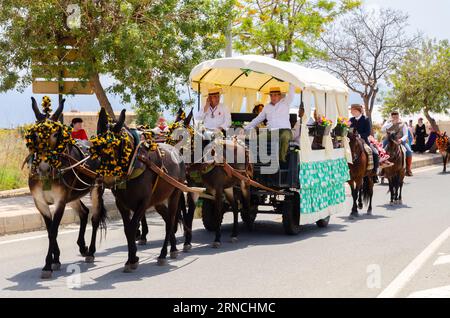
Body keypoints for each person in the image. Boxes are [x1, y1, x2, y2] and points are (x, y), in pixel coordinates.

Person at [244, 85, 295, 163]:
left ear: (279, 95)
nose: (273, 97)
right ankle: (258, 163)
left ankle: (281, 161)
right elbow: (258, 119)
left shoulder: (285, 102)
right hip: (271, 132)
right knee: (256, 139)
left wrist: (291, 81)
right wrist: (245, 128)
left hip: (285, 130)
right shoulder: (267, 107)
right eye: (271, 95)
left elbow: (291, 93)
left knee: (284, 137)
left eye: (275, 95)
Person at [349, 104, 379, 178]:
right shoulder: (351, 120)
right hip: (352, 142)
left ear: (357, 111)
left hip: (364, 141)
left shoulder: (365, 119)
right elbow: (349, 131)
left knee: (375, 153)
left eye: (352, 111)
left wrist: (359, 136)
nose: (351, 112)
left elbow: (368, 132)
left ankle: (375, 171)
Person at [381, 111, 413, 176]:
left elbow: (406, 134)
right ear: (391, 117)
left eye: (396, 117)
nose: (395, 118)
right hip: (389, 139)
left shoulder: (403, 124)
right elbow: (383, 129)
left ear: (398, 116)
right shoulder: (388, 122)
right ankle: (382, 169)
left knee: (409, 151)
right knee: (381, 150)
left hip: (400, 140)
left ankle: (408, 169)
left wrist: (401, 140)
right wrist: (391, 123)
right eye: (393, 117)